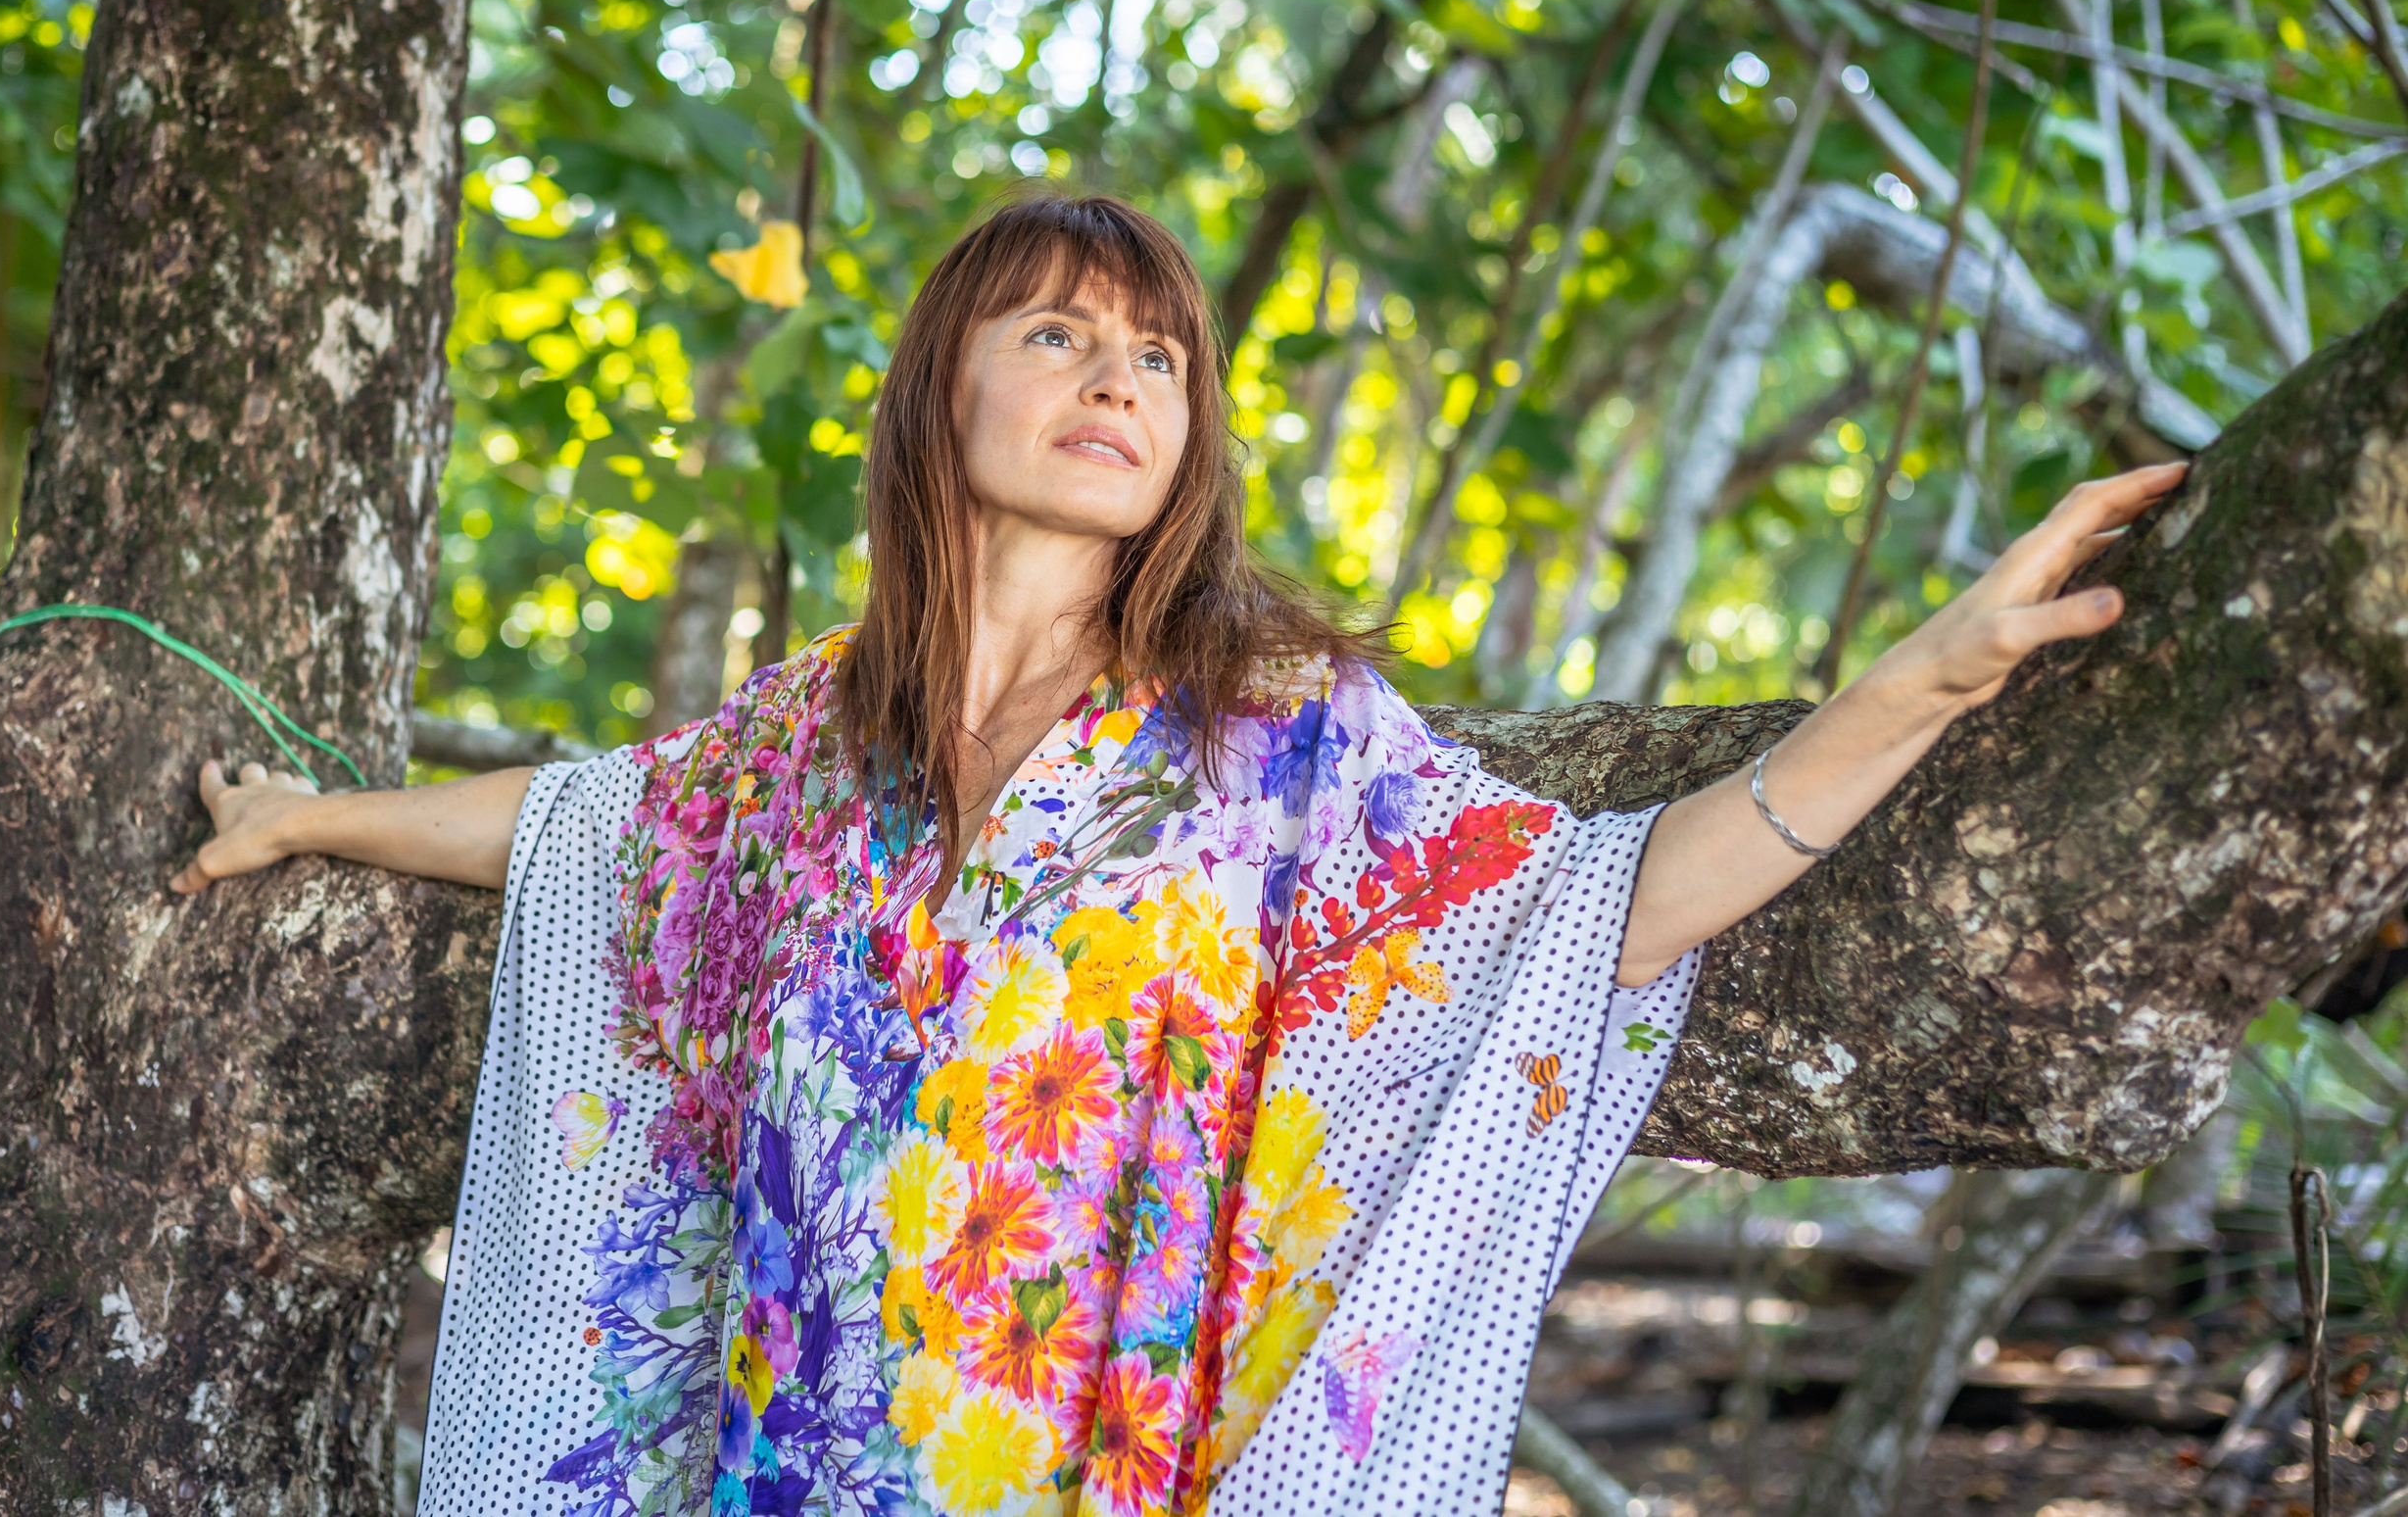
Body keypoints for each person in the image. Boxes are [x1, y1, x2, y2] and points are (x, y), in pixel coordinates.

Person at [176, 195, 2183, 1517]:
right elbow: (578, 821)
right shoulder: (798, 749)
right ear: (933, 387)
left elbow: (1591, 908)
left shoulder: (1270, 727)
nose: (1118, 378)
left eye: (1156, 358)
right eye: (1056, 335)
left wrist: (1920, 680)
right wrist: (307, 818)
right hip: (782, 1470)